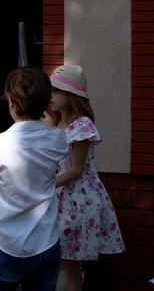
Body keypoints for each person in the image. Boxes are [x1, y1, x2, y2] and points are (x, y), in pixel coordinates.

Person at [0, 66, 69, 290]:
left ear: (10, 102)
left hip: (9, 244)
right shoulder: (57, 139)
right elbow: (51, 126)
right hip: (47, 242)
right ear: (47, 103)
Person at [47, 64, 125, 291]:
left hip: (78, 199)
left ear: (71, 95)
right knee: (65, 262)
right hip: (61, 196)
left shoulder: (81, 125)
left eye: (56, 91)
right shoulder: (54, 122)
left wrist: (44, 186)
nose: (50, 96)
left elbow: (76, 170)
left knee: (71, 264)